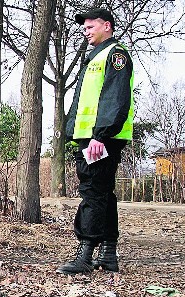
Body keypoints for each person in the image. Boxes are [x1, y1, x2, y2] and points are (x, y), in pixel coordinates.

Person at [56, 8, 134, 274]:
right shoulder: (95, 57)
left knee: (92, 192)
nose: (85, 32)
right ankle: (108, 254)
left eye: (91, 27)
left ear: (107, 26)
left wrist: (99, 136)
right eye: (84, 28)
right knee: (103, 193)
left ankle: (86, 254)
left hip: (99, 139)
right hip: (93, 137)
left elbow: (115, 97)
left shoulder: (115, 54)